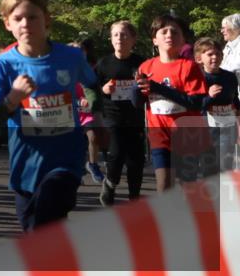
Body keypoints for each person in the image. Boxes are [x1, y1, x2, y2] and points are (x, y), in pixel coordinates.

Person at [0, 0, 99, 232]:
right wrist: (12, 98)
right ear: (7, 23)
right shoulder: (2, 65)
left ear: (46, 19)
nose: (25, 24)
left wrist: (94, 103)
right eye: (18, 18)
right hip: (26, 167)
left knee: (45, 218)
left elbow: (93, 86)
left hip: (66, 162)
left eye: (32, 17)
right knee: (37, 234)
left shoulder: (71, 57)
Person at [135, 13, 208, 191]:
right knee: (164, 186)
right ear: (154, 40)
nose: (169, 35)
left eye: (175, 32)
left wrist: (158, 88)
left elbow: (195, 103)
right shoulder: (146, 67)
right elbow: (139, 102)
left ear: (183, 40)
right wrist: (134, 91)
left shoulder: (189, 67)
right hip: (159, 133)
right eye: (164, 31)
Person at [95, 20, 146, 206]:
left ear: (133, 39)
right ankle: (110, 183)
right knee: (116, 153)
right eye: (116, 35)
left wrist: (143, 87)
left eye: (124, 35)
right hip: (112, 116)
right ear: (111, 39)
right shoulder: (104, 64)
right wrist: (103, 89)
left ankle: (134, 197)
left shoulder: (141, 63)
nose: (119, 38)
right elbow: (92, 88)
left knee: (136, 159)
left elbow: (149, 88)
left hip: (135, 117)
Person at [193, 37, 238, 175]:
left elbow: (235, 101)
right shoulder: (198, 78)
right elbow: (194, 105)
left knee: (226, 167)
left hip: (227, 129)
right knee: (209, 169)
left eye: (218, 54)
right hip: (206, 130)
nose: (215, 57)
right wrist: (209, 96)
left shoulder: (229, 77)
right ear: (199, 58)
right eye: (210, 54)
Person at [69, 39, 108, 184]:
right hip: (71, 111)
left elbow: (96, 90)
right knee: (75, 142)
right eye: (74, 51)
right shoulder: (63, 71)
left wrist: (92, 101)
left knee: (93, 137)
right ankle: (75, 168)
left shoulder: (91, 70)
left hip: (88, 111)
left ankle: (93, 164)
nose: (78, 54)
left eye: (81, 51)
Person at [222, 14, 240, 78]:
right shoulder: (229, 45)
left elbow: (236, 67)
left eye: (224, 28)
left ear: (235, 28)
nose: (222, 31)